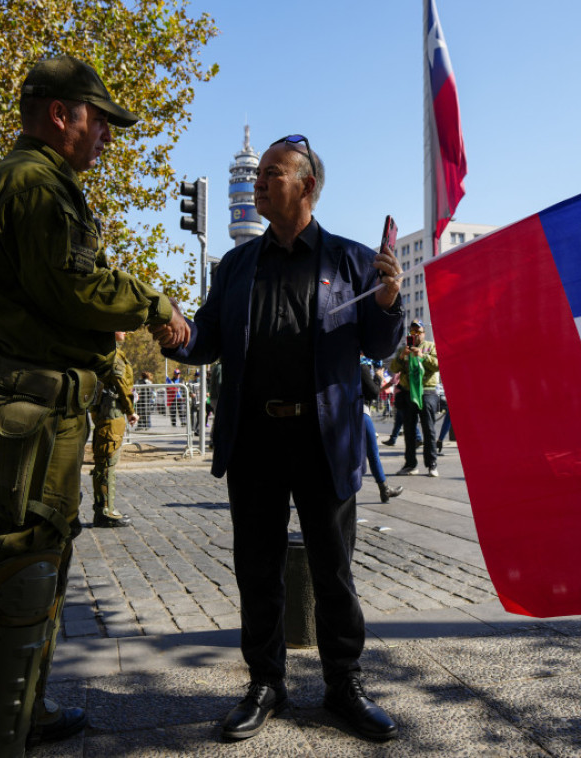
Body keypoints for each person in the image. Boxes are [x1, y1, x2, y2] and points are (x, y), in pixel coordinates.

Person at [0, 55, 189, 757]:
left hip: (33, 406)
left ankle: (20, 713)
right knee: (25, 573)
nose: (107, 137)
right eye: (100, 121)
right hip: (27, 407)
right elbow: (73, 286)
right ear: (61, 114)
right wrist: (153, 303)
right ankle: (2, 739)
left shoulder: (33, 181)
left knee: (33, 566)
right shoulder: (34, 183)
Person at [158, 134, 403, 743]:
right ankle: (265, 682)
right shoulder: (236, 264)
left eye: (273, 173)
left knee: (333, 570)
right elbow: (207, 339)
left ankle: (343, 682)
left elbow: (377, 345)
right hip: (256, 438)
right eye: (258, 173)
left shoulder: (349, 261)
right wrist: (173, 334)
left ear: (307, 187)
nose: (261, 181)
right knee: (257, 568)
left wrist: (392, 298)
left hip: (325, 439)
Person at [90, 332, 138, 528]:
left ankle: (104, 509)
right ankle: (105, 512)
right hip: (112, 414)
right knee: (107, 463)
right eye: (121, 327)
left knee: (105, 462)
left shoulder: (105, 353)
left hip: (107, 413)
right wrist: (130, 411)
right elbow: (121, 385)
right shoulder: (113, 356)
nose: (125, 332)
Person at [389, 320, 440, 477]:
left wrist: (423, 356)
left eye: (418, 332)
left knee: (428, 429)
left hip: (427, 392)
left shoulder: (431, 347)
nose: (415, 335)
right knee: (409, 430)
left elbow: (438, 365)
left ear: (424, 333)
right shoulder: (404, 349)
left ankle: (431, 464)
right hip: (408, 392)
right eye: (412, 332)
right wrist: (402, 356)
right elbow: (393, 368)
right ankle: (410, 464)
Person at [362, 361, 403, 502]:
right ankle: (384, 489)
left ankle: (384, 489)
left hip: (343, 413)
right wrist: (378, 377)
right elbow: (373, 392)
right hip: (360, 413)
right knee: (373, 453)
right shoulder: (361, 367)